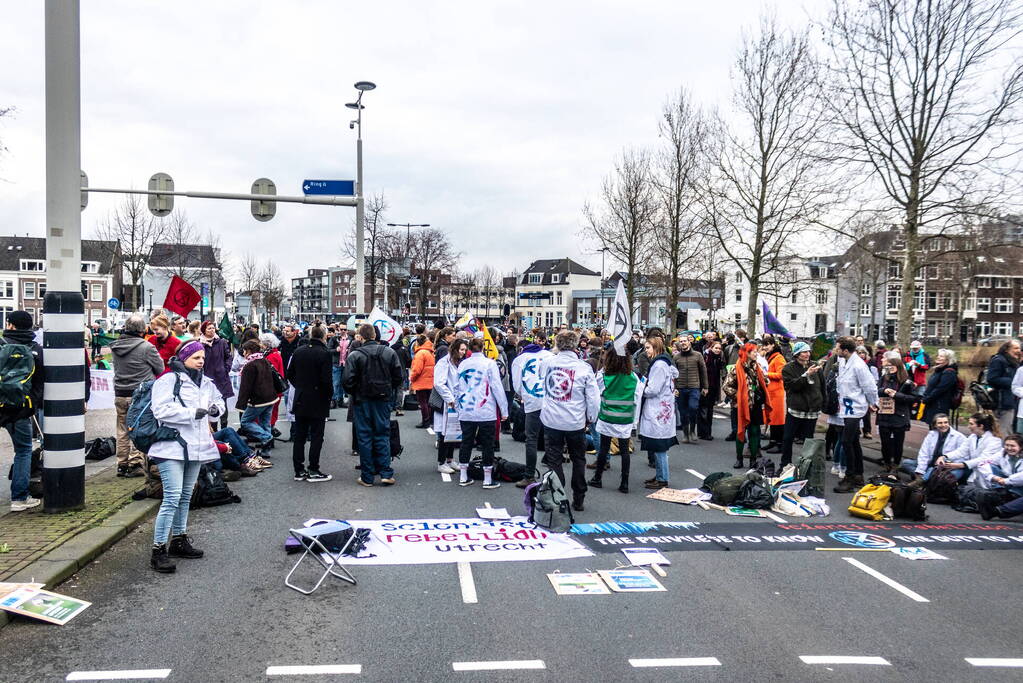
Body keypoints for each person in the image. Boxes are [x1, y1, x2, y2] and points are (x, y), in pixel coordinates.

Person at [147, 340, 225, 573]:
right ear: (183, 358)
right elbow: (160, 410)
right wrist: (192, 413)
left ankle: (179, 540)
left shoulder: (206, 383)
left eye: (203, 357)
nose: (201, 361)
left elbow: (218, 402)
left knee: (185, 495)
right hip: (170, 446)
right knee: (172, 497)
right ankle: (158, 549)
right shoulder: (167, 381)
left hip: (197, 446)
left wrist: (215, 410)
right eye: (196, 357)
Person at [540, 331, 599, 509]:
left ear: (557, 344)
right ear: (575, 345)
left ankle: (559, 494)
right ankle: (579, 495)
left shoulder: (548, 363)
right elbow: (594, 398)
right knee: (578, 459)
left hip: (552, 419)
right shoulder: (584, 368)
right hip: (575, 421)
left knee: (554, 459)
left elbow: (543, 384)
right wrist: (591, 417)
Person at [344, 323, 404, 486]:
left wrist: (355, 391)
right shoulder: (389, 352)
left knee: (364, 437)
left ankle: (367, 476)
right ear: (375, 336)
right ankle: (385, 472)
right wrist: (389, 390)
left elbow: (347, 380)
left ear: (361, 337)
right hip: (383, 399)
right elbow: (399, 377)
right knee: (382, 434)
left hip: (362, 400)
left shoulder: (355, 355)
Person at [110, 314, 164, 478]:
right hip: (141, 395)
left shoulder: (115, 347)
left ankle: (122, 463)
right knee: (139, 428)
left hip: (120, 393)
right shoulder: (147, 347)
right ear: (143, 330)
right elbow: (160, 368)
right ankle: (135, 463)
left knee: (122, 429)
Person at [451, 338, 508, 489]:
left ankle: (463, 476)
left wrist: (457, 406)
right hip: (485, 410)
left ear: (470, 348)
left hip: (467, 409)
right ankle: (487, 479)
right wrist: (504, 409)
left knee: (466, 442)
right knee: (487, 444)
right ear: (483, 348)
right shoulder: (490, 364)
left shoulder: (463, 364)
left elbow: (457, 387)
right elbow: (496, 386)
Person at [2, 311, 45, 512]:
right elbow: (40, 381)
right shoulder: (35, 349)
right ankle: (19, 498)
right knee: (23, 450)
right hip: (21, 408)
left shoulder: (1, 346)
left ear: (10, 325)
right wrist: (33, 405)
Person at [588, 345, 643, 493]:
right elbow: (637, 399)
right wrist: (634, 423)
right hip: (625, 418)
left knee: (604, 448)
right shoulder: (633, 378)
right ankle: (624, 483)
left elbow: (595, 393)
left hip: (607, 416)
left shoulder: (604, 376)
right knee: (625, 450)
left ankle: (597, 478)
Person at [287, 324, 334, 482]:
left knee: (300, 436)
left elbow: (290, 373)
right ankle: (313, 469)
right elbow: (327, 380)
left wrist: (299, 385)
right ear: (324, 336)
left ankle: (298, 470)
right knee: (316, 436)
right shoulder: (324, 354)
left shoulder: (299, 351)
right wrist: (329, 395)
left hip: (301, 397)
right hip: (318, 398)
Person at [833, 336, 879, 493]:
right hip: (846, 407)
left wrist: (873, 403)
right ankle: (859, 475)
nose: (835, 350)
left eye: (838, 348)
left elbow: (870, 386)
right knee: (853, 441)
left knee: (846, 441)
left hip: (856, 408)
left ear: (845, 350)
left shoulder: (859, 366)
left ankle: (851, 476)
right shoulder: (842, 362)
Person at [510, 331, 553, 487]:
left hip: (532, 401)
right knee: (551, 437)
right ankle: (552, 476)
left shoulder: (519, 360)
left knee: (531, 439)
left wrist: (524, 396)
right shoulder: (550, 356)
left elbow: (517, 385)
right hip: (550, 400)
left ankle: (529, 476)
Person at [639, 335, 678, 489]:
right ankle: (659, 475)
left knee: (659, 446)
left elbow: (653, 389)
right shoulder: (664, 363)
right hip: (662, 409)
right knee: (656, 446)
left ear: (656, 347)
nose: (646, 351)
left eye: (648, 348)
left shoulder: (659, 365)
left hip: (658, 410)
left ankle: (662, 478)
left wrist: (641, 388)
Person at [779, 341, 823, 467]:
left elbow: (822, 386)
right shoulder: (788, 368)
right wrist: (806, 375)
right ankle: (785, 464)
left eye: (808, 351)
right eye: (804, 352)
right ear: (797, 354)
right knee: (788, 438)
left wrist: (823, 402)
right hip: (796, 409)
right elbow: (791, 386)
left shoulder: (815, 366)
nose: (807, 354)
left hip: (812, 410)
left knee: (808, 440)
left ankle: (805, 466)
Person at [874, 351, 918, 473]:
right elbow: (877, 390)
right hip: (884, 414)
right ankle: (887, 463)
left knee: (898, 443)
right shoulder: (884, 377)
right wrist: (884, 390)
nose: (888, 369)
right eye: (887, 366)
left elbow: (914, 398)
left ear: (897, 367)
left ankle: (896, 465)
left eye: (891, 367)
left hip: (899, 415)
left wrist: (896, 395)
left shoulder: (906, 380)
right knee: (885, 442)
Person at [234, 340, 279, 448]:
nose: (243, 353)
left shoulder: (249, 366)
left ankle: (266, 437)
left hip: (258, 400)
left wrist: (241, 405)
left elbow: (245, 388)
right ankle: (266, 450)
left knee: (245, 422)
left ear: (249, 351)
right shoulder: (264, 360)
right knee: (265, 423)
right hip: (271, 397)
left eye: (244, 351)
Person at [900, 413, 968, 481]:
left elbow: (964, 455)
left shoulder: (959, 437)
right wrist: (920, 471)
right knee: (906, 463)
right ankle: (928, 477)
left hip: (946, 467)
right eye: (940, 423)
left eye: (945, 422)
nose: (943, 425)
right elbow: (924, 453)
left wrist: (950, 464)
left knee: (953, 474)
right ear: (935, 425)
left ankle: (923, 479)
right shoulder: (931, 434)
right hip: (930, 464)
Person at [432, 338, 466, 474]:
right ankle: (441, 462)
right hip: (446, 403)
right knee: (444, 433)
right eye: (461, 350)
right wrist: (450, 399)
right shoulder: (443, 362)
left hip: (456, 402)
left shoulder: (458, 362)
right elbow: (439, 383)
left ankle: (450, 460)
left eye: (465, 350)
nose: (463, 352)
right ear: (455, 349)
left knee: (454, 432)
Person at [733, 342, 768, 470]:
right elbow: (727, 386)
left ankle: (753, 459)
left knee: (754, 432)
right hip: (741, 406)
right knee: (740, 432)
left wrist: (764, 381)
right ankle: (739, 459)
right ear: (747, 353)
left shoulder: (757, 367)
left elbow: (765, 383)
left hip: (756, 406)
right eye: (754, 351)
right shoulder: (737, 368)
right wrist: (738, 398)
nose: (756, 354)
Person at [940, 412, 1003, 481]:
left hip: (987, 474)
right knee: (946, 477)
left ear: (981, 426)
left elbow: (983, 459)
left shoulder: (995, 440)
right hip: (972, 469)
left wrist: (961, 465)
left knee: (951, 478)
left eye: (971, 424)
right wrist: (945, 457)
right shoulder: (973, 436)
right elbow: (962, 451)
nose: (968, 426)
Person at [977, 434, 1023, 520]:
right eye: (1007, 445)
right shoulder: (1002, 453)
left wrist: (1006, 481)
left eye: (1012, 446)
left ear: (1021, 447)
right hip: (1011, 484)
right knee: (991, 466)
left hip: (1017, 484)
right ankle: (1001, 495)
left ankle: (996, 511)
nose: (1009, 448)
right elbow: (982, 463)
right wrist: (992, 477)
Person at [672, 335, 707, 445]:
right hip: (680, 388)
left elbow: (703, 371)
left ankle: (692, 430)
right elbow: (672, 374)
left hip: (694, 387)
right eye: (681, 341)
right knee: (683, 413)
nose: (683, 343)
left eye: (685, 341)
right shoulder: (676, 357)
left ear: (689, 342)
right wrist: (674, 388)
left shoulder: (698, 355)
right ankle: (686, 434)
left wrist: (705, 387)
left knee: (693, 408)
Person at [199, 321, 233, 431]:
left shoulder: (221, 342)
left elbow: (228, 357)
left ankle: (224, 428)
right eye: (209, 328)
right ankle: (214, 431)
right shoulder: (199, 344)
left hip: (221, 378)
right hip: (207, 379)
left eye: (213, 328)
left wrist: (226, 368)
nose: (212, 330)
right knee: (210, 405)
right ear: (204, 330)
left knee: (223, 404)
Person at [985, 339, 1021, 437]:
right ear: (1006, 349)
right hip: (1002, 402)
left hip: (1012, 401)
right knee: (1004, 432)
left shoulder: (1014, 362)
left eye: (1019, 348)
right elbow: (992, 378)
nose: (1019, 350)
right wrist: (1014, 383)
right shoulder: (998, 360)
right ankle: (1004, 451)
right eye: (1016, 348)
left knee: (1010, 430)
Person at [761, 335, 787, 453]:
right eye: (764, 345)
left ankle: (779, 443)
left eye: (767, 345)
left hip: (776, 392)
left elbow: (782, 374)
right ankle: (772, 441)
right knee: (771, 417)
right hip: (770, 391)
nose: (765, 347)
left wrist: (767, 374)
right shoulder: (770, 357)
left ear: (773, 345)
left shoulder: (779, 358)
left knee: (777, 419)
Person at [920, 348, 960, 424]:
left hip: (940, 405)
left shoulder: (949, 373)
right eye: (938, 355)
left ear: (948, 359)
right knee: (933, 427)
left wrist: (927, 398)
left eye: (941, 356)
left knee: (939, 428)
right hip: (933, 403)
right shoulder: (939, 370)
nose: (938, 357)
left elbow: (940, 389)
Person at [697, 340, 724, 441]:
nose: (718, 350)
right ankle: (704, 432)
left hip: (713, 387)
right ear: (711, 348)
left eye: (719, 348)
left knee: (708, 410)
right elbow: (704, 373)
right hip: (706, 387)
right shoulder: (707, 358)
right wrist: (704, 386)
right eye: (716, 348)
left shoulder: (718, 358)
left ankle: (705, 432)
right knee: (705, 410)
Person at [410, 334, 435, 428]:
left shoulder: (420, 353)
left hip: (421, 381)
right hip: (430, 380)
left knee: (423, 402)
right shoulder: (430, 352)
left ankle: (425, 421)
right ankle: (429, 420)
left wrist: (412, 378)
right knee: (428, 402)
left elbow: (416, 369)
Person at [328, 325, 351, 409]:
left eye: (345, 329)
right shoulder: (334, 339)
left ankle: (340, 400)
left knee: (343, 383)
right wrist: (335, 350)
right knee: (335, 383)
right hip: (336, 364)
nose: (343, 331)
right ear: (338, 329)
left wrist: (350, 351)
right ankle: (333, 400)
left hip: (346, 364)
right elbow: (328, 350)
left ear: (347, 330)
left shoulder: (350, 339)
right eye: (341, 329)